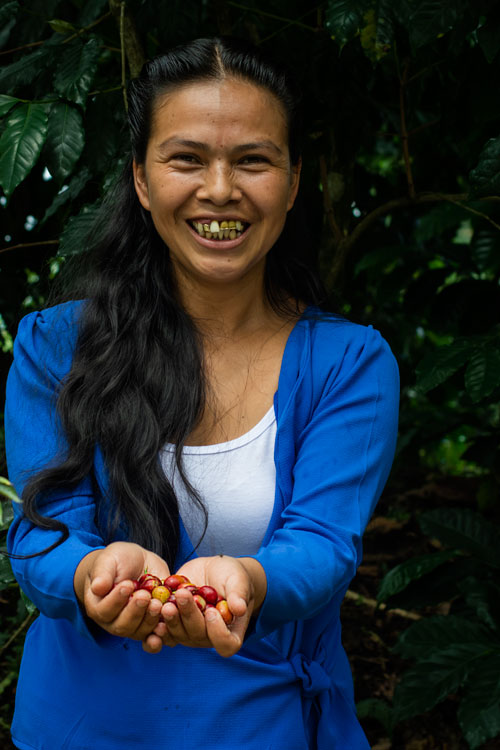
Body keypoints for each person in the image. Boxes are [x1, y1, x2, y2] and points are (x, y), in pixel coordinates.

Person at [5, 37, 399, 750]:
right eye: (187, 159)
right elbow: (43, 530)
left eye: (253, 159)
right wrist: (92, 571)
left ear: (293, 178)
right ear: (142, 179)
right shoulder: (55, 346)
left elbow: (323, 542)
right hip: (77, 729)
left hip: (269, 726)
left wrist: (247, 578)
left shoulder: (349, 363)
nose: (220, 190)